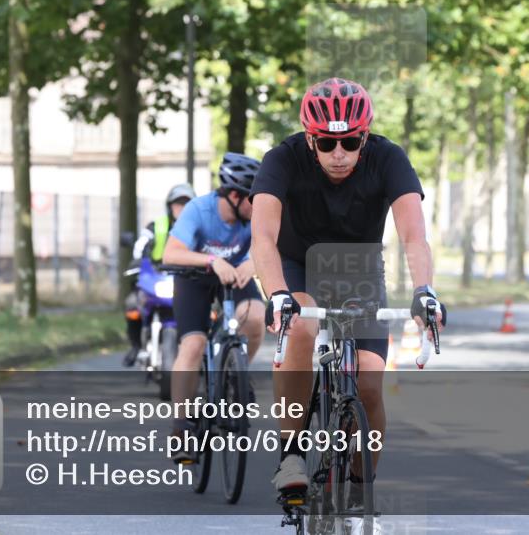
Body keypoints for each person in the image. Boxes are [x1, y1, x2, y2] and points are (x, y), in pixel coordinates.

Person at [249, 78, 446, 532]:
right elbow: (262, 236)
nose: (339, 153)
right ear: (310, 139)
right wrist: (277, 293)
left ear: (365, 136)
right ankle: (292, 454)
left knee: (370, 387)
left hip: (358, 272)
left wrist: (425, 290)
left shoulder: (388, 158)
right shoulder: (283, 158)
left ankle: (359, 486)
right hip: (297, 267)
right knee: (299, 328)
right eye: (328, 143)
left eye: (351, 141)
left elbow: (414, 235)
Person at [162, 153, 266, 463]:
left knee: (256, 316)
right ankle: (181, 428)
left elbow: (273, 245)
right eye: (253, 199)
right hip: (194, 277)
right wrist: (211, 260)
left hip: (236, 275)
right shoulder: (199, 209)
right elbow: (171, 253)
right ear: (235, 195)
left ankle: (235, 372)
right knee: (193, 344)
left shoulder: (256, 216)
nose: (258, 205)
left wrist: (253, 263)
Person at [122, 183, 195, 367]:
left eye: (186, 204)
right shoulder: (157, 226)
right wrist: (137, 260)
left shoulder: (199, 227)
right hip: (157, 277)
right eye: (178, 204)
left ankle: (210, 353)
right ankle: (135, 345)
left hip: (190, 280)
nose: (182, 208)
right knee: (132, 305)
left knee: (211, 310)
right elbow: (141, 243)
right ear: (170, 206)